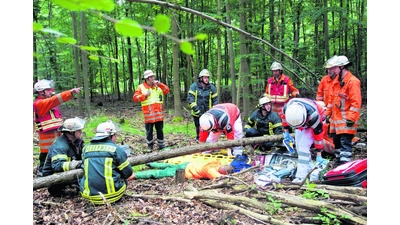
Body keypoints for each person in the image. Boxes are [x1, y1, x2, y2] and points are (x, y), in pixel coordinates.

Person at [33, 79, 82, 176]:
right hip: (48, 143)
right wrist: (69, 93)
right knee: (46, 160)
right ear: (41, 92)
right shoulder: (40, 103)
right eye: (48, 90)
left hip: (56, 139)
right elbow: (54, 100)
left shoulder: (48, 104)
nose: (50, 91)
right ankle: (42, 176)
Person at [80, 120, 134, 205]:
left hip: (90, 197)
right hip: (112, 196)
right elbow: (128, 172)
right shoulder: (116, 149)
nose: (116, 138)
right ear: (110, 136)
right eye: (115, 135)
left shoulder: (86, 149)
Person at [324, 55, 362, 167]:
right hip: (336, 121)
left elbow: (356, 103)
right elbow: (331, 100)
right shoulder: (336, 82)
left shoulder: (352, 81)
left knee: (345, 144)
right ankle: (337, 165)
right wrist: (327, 114)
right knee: (336, 144)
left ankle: (345, 165)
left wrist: (350, 119)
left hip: (347, 120)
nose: (332, 71)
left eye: (334, 68)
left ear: (342, 67)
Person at [281, 98, 326, 184]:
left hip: (316, 122)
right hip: (299, 124)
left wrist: (319, 153)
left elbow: (318, 135)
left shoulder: (314, 117)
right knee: (299, 147)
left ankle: (301, 177)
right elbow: (284, 119)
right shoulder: (287, 109)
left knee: (303, 146)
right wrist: (286, 132)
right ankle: (311, 170)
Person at [41, 117, 86, 196]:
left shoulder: (77, 142)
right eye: (79, 130)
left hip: (70, 174)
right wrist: (76, 164)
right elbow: (57, 166)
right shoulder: (60, 146)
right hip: (55, 179)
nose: (81, 131)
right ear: (71, 132)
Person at [133, 70, 170, 150]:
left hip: (158, 113)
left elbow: (167, 90)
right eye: (150, 77)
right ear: (146, 78)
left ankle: (161, 144)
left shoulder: (158, 86)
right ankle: (150, 146)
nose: (152, 78)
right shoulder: (141, 87)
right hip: (149, 114)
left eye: (153, 76)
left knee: (160, 130)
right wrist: (144, 95)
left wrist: (160, 84)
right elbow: (135, 98)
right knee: (149, 131)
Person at [187, 69, 218, 143]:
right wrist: (196, 109)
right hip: (197, 113)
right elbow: (190, 98)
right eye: (205, 77)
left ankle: (209, 141)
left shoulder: (212, 88)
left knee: (210, 127)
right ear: (201, 78)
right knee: (198, 128)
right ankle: (199, 140)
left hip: (208, 113)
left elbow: (215, 100)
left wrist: (214, 110)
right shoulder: (194, 86)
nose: (206, 79)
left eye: (207, 77)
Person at [131, 160, 234, 180]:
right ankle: (136, 175)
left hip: (188, 164)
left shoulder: (217, 163)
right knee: (160, 173)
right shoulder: (211, 170)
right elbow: (218, 178)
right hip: (185, 170)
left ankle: (151, 164)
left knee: (171, 166)